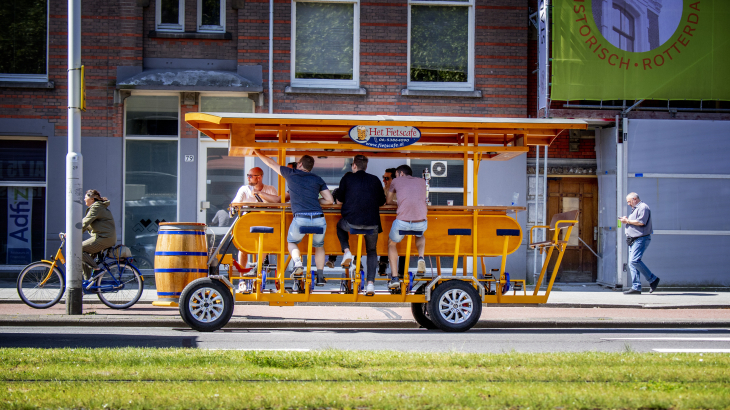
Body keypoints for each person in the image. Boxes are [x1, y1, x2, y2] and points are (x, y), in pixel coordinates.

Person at [253, 149, 334, 286]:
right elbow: (330, 200)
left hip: (301, 217)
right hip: (319, 218)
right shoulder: (317, 178)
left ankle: (298, 264)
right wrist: (314, 201)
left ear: (301, 164)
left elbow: (271, 163)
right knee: (319, 246)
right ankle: (320, 276)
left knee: (291, 241)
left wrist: (257, 152)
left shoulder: (291, 174)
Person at [334, 155, 386, 295]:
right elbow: (382, 202)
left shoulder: (347, 178)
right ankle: (370, 284)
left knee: (339, 225)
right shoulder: (375, 180)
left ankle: (347, 251)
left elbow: (339, 201)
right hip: (372, 224)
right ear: (366, 167)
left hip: (351, 223)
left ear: (354, 166)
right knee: (371, 251)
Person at [231, 167, 280, 291]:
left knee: (265, 244)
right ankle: (242, 279)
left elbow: (277, 204)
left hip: (265, 224)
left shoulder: (270, 189)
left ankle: (256, 270)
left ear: (259, 177)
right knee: (242, 248)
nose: (248, 178)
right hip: (247, 224)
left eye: (251, 176)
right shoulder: (244, 189)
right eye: (248, 175)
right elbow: (235, 203)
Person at [386, 164, 428, 289]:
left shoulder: (396, 181)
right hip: (421, 221)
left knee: (391, 243)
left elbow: (388, 201)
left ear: (401, 173)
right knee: (420, 234)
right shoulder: (422, 181)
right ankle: (421, 257)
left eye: (396, 174)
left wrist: (398, 202)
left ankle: (394, 277)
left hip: (402, 222)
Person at [620, 192, 660, 294]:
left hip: (641, 238)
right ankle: (636, 287)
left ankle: (653, 279)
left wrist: (627, 221)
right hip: (633, 239)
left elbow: (641, 222)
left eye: (629, 201)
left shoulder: (643, 207)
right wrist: (627, 220)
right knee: (632, 263)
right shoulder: (635, 209)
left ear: (634, 199)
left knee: (634, 260)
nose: (628, 204)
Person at [81, 190, 116, 279]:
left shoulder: (96, 207)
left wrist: (72, 233)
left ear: (92, 199)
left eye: (85, 197)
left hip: (104, 238)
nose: (84, 199)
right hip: (105, 237)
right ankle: (87, 284)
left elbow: (84, 223)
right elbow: (87, 226)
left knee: (78, 249)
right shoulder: (98, 207)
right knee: (86, 259)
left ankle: (97, 270)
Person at [378, 168, 397, 275]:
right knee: (384, 234)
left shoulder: (400, 190)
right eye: (383, 178)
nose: (384, 180)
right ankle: (383, 264)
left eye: (386, 178)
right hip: (384, 221)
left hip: (397, 221)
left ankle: (399, 273)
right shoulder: (382, 190)